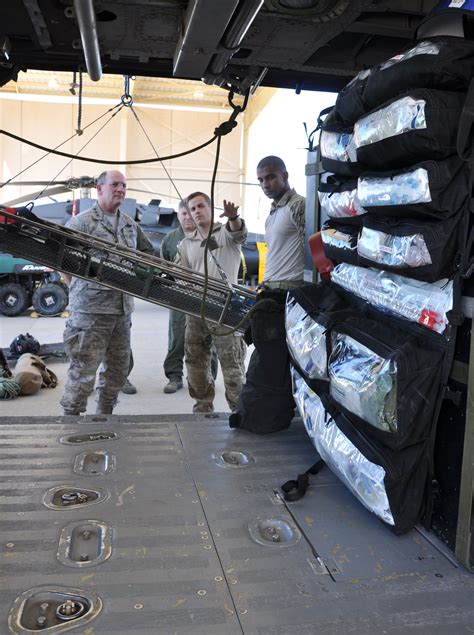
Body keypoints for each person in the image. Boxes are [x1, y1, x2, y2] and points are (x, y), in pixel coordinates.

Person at [60, 170, 154, 415]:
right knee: (83, 372)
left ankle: (105, 417)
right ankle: (71, 421)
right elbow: (60, 260)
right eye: (115, 185)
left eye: (123, 185)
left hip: (121, 312)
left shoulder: (129, 225)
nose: (121, 189)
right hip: (90, 312)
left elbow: (147, 257)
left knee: (117, 371)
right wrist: (80, 288)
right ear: (99, 189)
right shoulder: (82, 222)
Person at [178, 192, 247, 413]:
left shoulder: (225, 233)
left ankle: (238, 409)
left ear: (210, 207)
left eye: (200, 206)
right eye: (192, 209)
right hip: (195, 309)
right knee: (195, 360)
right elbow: (182, 274)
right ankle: (202, 405)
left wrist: (233, 216)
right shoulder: (186, 243)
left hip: (226, 309)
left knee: (232, 362)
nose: (196, 211)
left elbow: (238, 232)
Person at [160, 200, 218, 394]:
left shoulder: (207, 236)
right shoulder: (170, 239)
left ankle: (209, 376)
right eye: (183, 213)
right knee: (176, 338)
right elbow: (164, 267)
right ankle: (174, 376)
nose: (187, 217)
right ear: (178, 216)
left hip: (206, 298)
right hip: (179, 298)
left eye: (191, 213)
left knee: (208, 340)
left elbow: (217, 262)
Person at [256, 155, 306, 290]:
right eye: (260, 180)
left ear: (284, 176)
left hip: (289, 287)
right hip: (269, 285)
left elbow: (311, 249)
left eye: (270, 177)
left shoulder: (298, 205)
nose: (265, 185)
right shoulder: (272, 213)